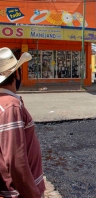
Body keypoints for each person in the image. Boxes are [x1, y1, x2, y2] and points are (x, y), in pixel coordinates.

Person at [0, 47, 45, 197]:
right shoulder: (11, 106)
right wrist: (33, 194)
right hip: (19, 193)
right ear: (17, 74)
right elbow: (15, 160)